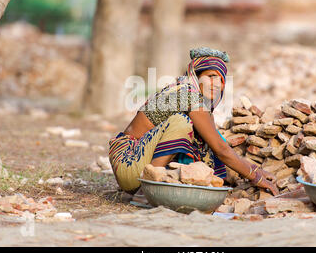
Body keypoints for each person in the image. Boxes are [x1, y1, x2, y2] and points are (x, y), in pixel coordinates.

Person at [108, 47, 279, 200]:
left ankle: (154, 184)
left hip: (136, 163)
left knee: (206, 134)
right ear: (196, 77)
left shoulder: (195, 100)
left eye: (221, 79)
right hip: (128, 162)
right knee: (182, 124)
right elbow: (221, 150)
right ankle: (145, 191)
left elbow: (218, 144)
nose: (217, 84)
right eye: (211, 77)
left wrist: (255, 170)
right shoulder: (188, 96)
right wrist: (255, 177)